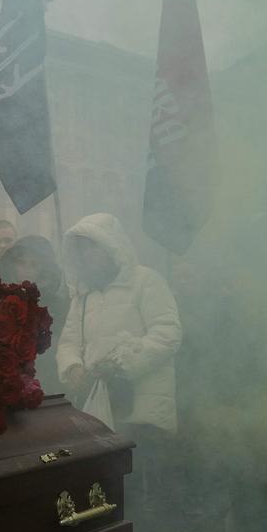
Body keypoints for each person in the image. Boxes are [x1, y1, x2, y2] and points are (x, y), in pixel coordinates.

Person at [56, 213, 181, 514]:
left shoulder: (145, 280)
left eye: (92, 246)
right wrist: (73, 367)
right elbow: (69, 342)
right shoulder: (82, 296)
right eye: (80, 249)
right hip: (100, 407)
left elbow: (168, 332)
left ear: (111, 247)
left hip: (142, 407)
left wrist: (124, 362)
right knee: (109, 487)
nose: (86, 255)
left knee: (145, 487)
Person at [0, 235, 69, 394]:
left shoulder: (56, 303)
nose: (27, 269)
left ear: (43, 269)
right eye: (21, 263)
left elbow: (59, 343)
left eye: (34, 264)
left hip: (45, 381)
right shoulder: (0, 295)